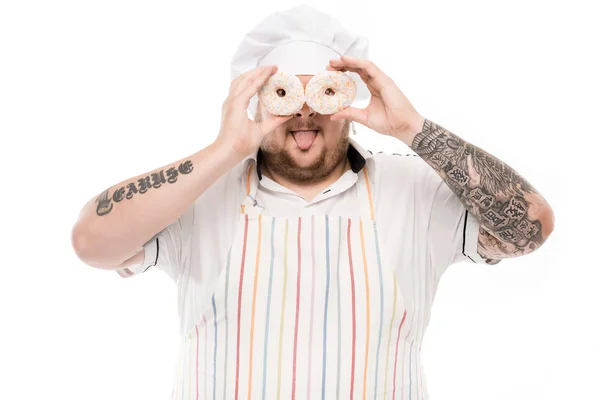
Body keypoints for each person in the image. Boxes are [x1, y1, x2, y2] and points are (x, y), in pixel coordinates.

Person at [70, 5, 555, 399]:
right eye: (284, 93)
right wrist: (225, 150)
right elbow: (92, 242)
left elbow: (531, 225)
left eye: (322, 94)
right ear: (259, 102)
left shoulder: (413, 191)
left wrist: (412, 129)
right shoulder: (199, 197)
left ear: (349, 105)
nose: (304, 110)